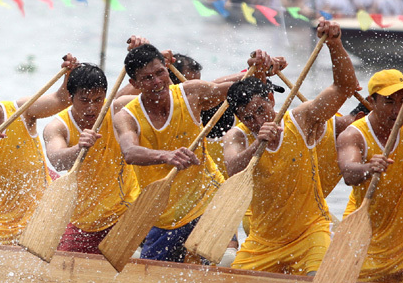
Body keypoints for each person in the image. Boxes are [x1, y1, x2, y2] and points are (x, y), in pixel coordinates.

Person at [113, 40, 279, 263]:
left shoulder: (191, 93)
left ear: (166, 69)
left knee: (224, 262)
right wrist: (166, 155)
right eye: (147, 78)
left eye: (160, 73)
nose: (157, 82)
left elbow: (238, 93)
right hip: (165, 217)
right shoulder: (126, 115)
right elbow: (130, 152)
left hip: (209, 200)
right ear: (135, 83)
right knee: (149, 280)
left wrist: (260, 70)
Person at [222, 20, 357, 275]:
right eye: (248, 117)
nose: (257, 121)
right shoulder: (237, 136)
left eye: (261, 110)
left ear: (271, 99)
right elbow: (232, 170)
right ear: (239, 118)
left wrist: (335, 44)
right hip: (262, 241)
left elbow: (344, 87)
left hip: (310, 234)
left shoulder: (300, 119)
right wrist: (257, 145)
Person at [0, 56, 78, 245]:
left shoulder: (22, 110)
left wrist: (69, 74)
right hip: (0, 223)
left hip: (41, 215)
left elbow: (63, 99)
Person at [336, 58, 403, 283]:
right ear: (372, 101)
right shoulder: (353, 135)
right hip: (368, 243)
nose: (397, 109)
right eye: (389, 102)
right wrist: (368, 168)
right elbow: (349, 174)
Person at [43, 63, 139, 253]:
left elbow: (162, 97)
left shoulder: (116, 109)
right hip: (84, 221)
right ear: (70, 98)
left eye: (98, 99)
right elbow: (57, 160)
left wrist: (148, 57)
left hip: (126, 211)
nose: (92, 108)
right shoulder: (57, 127)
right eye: (84, 100)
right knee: (62, 266)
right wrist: (79, 148)